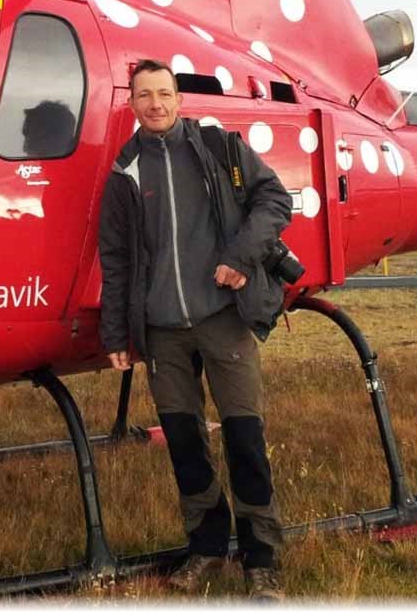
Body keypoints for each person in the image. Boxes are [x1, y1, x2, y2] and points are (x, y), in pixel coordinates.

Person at [97, 58, 292, 600]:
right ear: (131, 103)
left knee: (245, 439)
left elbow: (275, 200)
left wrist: (239, 256)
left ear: (179, 99)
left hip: (222, 319)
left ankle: (261, 558)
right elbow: (114, 258)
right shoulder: (124, 172)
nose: (155, 104)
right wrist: (117, 334)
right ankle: (206, 546)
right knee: (185, 444)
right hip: (163, 332)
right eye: (144, 95)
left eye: (164, 93)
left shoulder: (217, 148)